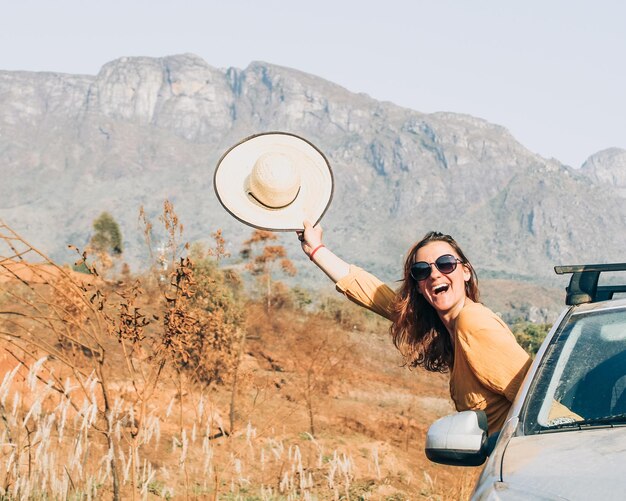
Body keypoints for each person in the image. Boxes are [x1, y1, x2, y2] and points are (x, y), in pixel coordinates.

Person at [297, 220, 532, 435]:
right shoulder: (443, 325)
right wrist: (316, 250)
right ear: (418, 286)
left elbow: (536, 396)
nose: (434, 274)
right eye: (422, 270)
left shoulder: (473, 323)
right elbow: (374, 295)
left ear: (466, 272)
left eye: (446, 264)